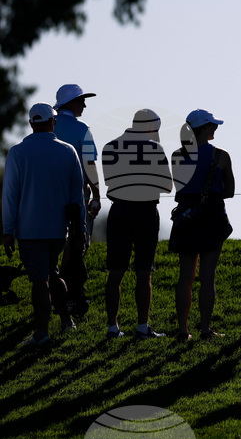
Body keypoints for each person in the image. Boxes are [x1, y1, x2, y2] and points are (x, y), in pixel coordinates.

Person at [3, 104, 86, 345]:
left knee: (39, 280)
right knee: (53, 271)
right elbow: (76, 196)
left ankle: (41, 333)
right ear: (53, 122)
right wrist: (80, 227)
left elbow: (10, 195)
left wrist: (8, 231)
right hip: (58, 227)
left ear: (31, 123)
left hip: (29, 229)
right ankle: (66, 321)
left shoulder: (18, 152)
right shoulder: (68, 151)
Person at [101, 109, 173, 339]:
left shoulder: (111, 146)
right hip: (145, 212)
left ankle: (113, 327)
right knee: (144, 272)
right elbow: (167, 186)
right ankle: (142, 327)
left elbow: (110, 180)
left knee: (115, 272)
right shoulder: (155, 149)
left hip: (119, 211)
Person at [169, 109, 235, 340]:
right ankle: (205, 329)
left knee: (185, 276)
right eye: (212, 126)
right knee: (208, 276)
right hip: (212, 217)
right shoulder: (221, 156)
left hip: (186, 217)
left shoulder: (178, 155)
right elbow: (230, 191)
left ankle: (182, 330)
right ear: (205, 128)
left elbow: (179, 188)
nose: (215, 129)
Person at [53, 83, 102, 317]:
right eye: (81, 100)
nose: (84, 104)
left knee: (55, 243)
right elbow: (89, 164)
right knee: (77, 242)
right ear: (70, 103)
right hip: (76, 193)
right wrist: (96, 194)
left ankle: (55, 290)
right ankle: (69, 293)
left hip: (48, 194)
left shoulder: (47, 126)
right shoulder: (82, 128)